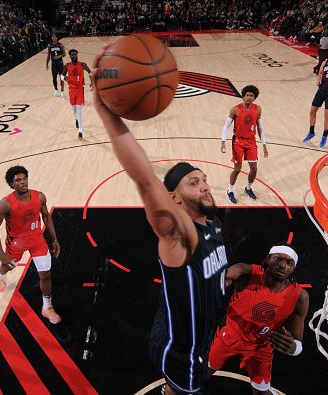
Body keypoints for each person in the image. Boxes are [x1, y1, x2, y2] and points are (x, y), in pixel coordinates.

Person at [92, 49, 229, 394]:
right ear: (175, 200)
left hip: (192, 330)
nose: (205, 186)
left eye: (204, 179)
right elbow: (145, 179)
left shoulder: (213, 224)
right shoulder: (181, 234)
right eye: (193, 183)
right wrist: (105, 112)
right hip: (183, 352)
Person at [209, 245, 309, 394]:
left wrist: (294, 348)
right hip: (230, 334)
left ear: (294, 269)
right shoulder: (245, 273)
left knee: (262, 392)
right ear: (267, 259)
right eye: (278, 259)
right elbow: (223, 279)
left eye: (289, 263)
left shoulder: (300, 297)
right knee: (199, 373)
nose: (282, 265)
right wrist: (215, 287)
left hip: (261, 345)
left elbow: (297, 340)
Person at [0, 166, 62, 324]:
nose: (23, 182)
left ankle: (47, 307)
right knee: (8, 266)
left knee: (46, 274)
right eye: (18, 180)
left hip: (37, 239)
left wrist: (54, 239)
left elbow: (46, 217)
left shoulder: (39, 196)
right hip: (16, 242)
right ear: (11, 184)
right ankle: (1, 276)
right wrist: (1, 254)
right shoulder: (5, 204)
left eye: (24, 178)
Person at [220, 85, 268, 202]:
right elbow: (226, 127)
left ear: (254, 98)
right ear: (243, 96)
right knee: (237, 169)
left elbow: (260, 127)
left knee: (254, 168)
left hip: (251, 141)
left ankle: (248, 188)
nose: (249, 97)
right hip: (238, 142)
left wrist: (264, 145)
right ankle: (230, 190)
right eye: (247, 95)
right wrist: (223, 141)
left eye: (251, 95)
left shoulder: (258, 109)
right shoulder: (235, 109)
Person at [61, 49, 92, 140]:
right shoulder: (67, 65)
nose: (74, 56)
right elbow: (62, 76)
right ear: (70, 56)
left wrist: (92, 82)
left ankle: (80, 132)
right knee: (74, 111)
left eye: (75, 54)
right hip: (71, 90)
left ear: (77, 55)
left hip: (79, 90)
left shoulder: (82, 64)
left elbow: (90, 72)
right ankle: (76, 119)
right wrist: (65, 78)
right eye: (72, 55)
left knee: (79, 112)